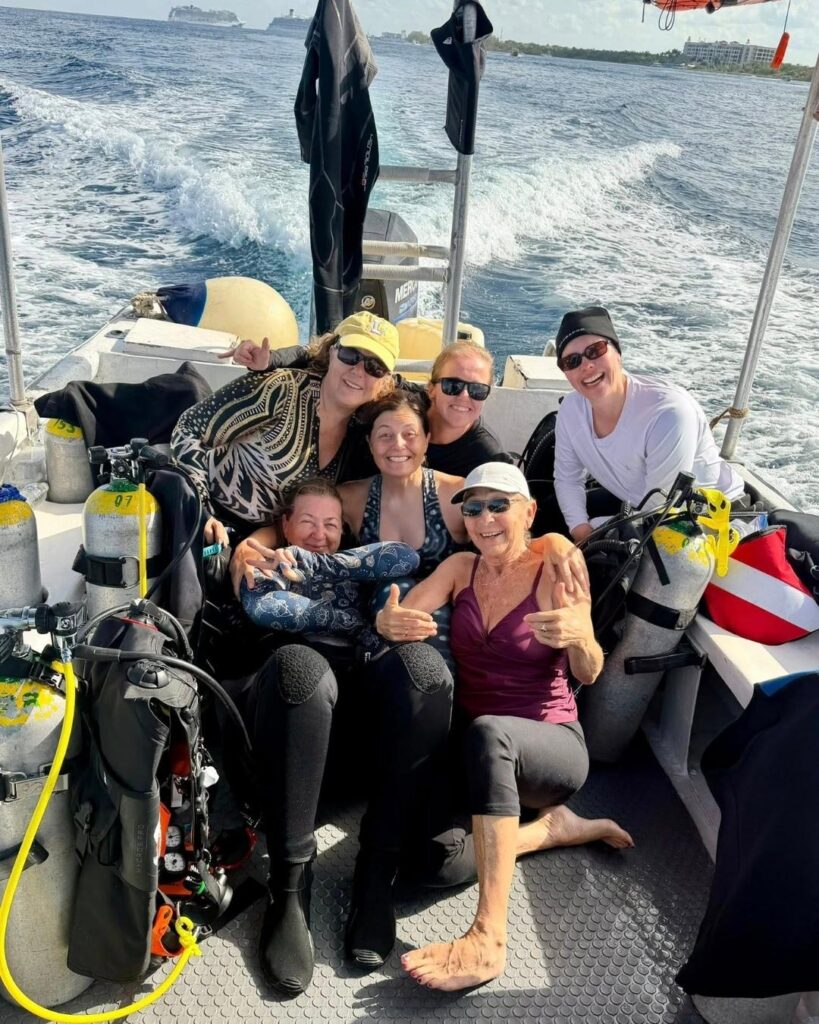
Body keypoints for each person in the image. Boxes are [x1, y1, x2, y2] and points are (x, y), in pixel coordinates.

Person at [374, 462, 634, 991]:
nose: (484, 518)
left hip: (549, 746)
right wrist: (388, 621)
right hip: (478, 748)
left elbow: (589, 671)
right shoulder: (460, 569)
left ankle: (489, 937)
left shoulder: (555, 571)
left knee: (491, 731)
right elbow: (403, 617)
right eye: (472, 508)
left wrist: (580, 638)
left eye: (499, 505)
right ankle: (552, 829)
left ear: (529, 512)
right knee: (435, 864)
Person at [226, 478, 455, 996]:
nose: (319, 533)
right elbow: (272, 610)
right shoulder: (260, 562)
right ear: (285, 524)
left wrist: (319, 565)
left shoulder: (346, 566)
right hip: (282, 714)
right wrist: (361, 620)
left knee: (424, 671)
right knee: (302, 666)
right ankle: (290, 883)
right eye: (307, 521)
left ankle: (377, 871)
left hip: (351, 722)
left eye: (331, 524)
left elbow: (402, 558)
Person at [171, 311, 398, 547]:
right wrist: (201, 508)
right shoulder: (281, 391)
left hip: (279, 544)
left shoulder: (362, 432)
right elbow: (190, 427)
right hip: (213, 524)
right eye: (350, 355)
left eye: (375, 367)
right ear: (332, 352)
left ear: (386, 380)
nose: (358, 370)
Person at [552, 305, 746, 543]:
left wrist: (590, 539)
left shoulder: (668, 415)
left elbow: (659, 510)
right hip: (642, 506)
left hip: (708, 519)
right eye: (572, 361)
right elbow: (567, 478)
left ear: (617, 353)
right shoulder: (571, 411)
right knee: (551, 517)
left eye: (595, 350)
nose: (586, 365)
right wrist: (580, 532)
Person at [224, 335, 511, 477]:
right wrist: (269, 361)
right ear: (432, 388)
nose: (464, 397)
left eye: (477, 391)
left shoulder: (486, 455)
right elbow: (318, 356)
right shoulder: (405, 399)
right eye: (452, 386)